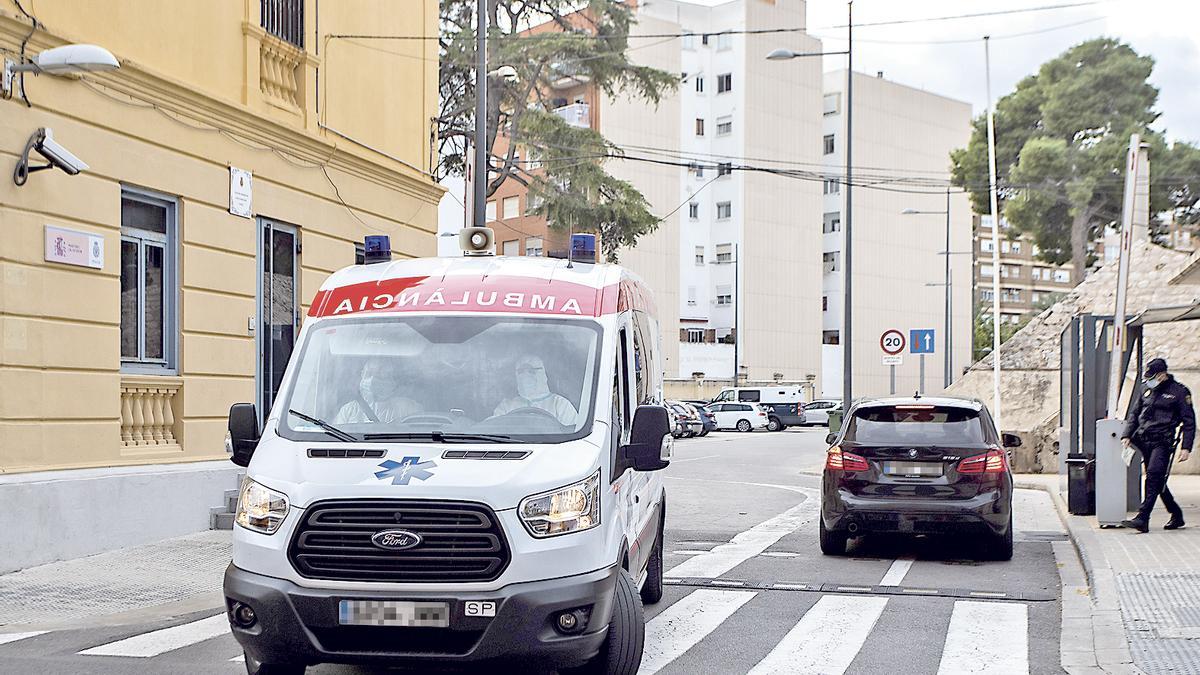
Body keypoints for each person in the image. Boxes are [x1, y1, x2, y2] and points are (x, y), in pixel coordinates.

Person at [1120, 358, 1195, 533]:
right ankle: (1176, 514)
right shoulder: (1145, 388)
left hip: (1163, 441)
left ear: (1162, 375)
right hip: (1143, 439)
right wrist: (1127, 434)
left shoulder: (1179, 392)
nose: (1149, 380)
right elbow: (1135, 413)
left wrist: (1186, 447)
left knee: (1153, 476)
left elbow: (1189, 421)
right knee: (1158, 479)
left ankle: (1142, 518)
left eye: (1153, 376)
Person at [493, 354, 578, 426]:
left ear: (543, 374)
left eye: (531, 371)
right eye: (521, 371)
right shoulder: (506, 406)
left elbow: (573, 435)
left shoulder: (559, 404)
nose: (525, 376)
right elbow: (492, 428)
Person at [334, 358, 421, 424]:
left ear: (392, 380)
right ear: (362, 375)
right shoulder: (348, 410)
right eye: (369, 374)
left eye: (381, 375)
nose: (373, 380)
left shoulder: (408, 408)